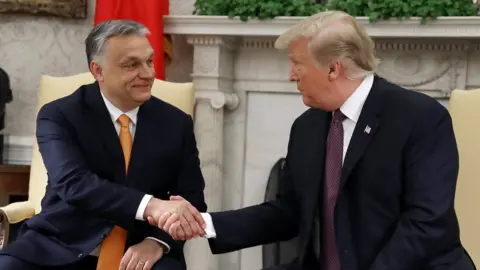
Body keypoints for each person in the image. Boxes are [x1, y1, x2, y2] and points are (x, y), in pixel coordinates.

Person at [156, 11, 477, 270]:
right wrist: (205, 223)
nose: (291, 75)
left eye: (297, 63)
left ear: (333, 69)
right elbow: (289, 212)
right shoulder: (308, 127)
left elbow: (426, 223)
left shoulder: (419, 117)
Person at [0, 20, 207, 270]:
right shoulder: (60, 114)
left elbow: (192, 197)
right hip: (62, 244)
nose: (148, 73)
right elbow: (74, 184)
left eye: (149, 61)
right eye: (132, 64)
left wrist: (156, 242)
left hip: (140, 248)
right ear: (98, 71)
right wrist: (152, 205)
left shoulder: (176, 122)